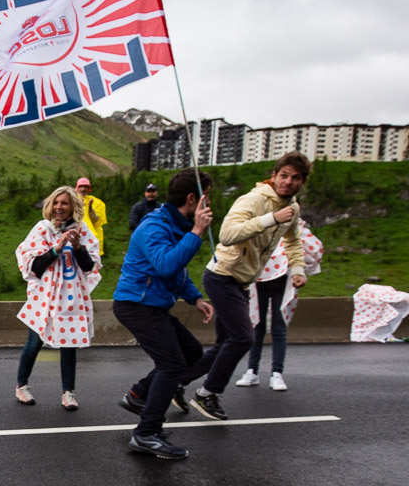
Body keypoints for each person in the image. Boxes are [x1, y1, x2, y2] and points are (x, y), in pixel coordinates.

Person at [190, 152, 309, 420]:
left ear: (302, 182)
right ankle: (207, 394)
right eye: (284, 175)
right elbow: (227, 235)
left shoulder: (293, 208)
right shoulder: (254, 199)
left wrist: (298, 269)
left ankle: (177, 382)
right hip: (222, 275)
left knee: (224, 343)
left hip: (242, 280)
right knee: (243, 337)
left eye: (296, 178)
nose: (288, 182)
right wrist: (272, 219)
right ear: (275, 175)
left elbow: (292, 241)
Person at [112, 169, 216, 459]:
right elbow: (165, 265)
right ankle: (146, 433)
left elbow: (177, 273)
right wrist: (196, 232)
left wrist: (195, 298)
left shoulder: (174, 224)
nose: (210, 205)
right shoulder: (154, 226)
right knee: (171, 364)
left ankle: (139, 395)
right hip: (137, 305)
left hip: (152, 305)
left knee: (192, 353)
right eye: (207, 198)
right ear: (193, 198)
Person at [13, 186, 100, 410]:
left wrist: (78, 247)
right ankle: (22, 386)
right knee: (34, 342)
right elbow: (34, 266)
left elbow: (90, 266)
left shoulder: (82, 230)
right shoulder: (42, 229)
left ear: (73, 207)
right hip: (44, 297)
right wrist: (56, 247)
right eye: (56, 203)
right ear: (50, 206)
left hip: (70, 297)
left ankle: (68, 392)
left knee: (69, 344)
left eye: (65, 203)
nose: (60, 207)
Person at [236, 218, 324, 391]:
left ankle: (277, 373)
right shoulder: (262, 220)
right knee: (256, 326)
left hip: (283, 282)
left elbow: (313, 248)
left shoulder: (295, 226)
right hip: (258, 280)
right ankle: (251, 371)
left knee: (279, 327)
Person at [76, 177, 108, 256]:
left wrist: (90, 210)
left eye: (85, 187)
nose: (83, 189)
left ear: (89, 189)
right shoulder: (69, 200)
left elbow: (97, 221)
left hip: (91, 239)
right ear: (77, 188)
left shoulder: (97, 203)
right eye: (81, 186)